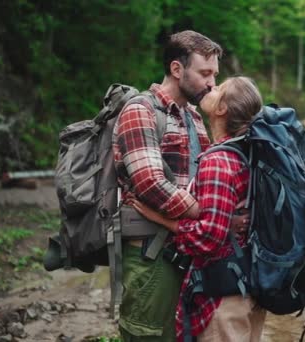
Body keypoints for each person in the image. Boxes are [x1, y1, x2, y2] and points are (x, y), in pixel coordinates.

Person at [131, 76, 267, 342]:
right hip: (249, 284)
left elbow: (208, 237)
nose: (211, 87)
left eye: (219, 88)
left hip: (224, 296)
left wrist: (162, 219)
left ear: (221, 109)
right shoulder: (249, 153)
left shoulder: (219, 160)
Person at [112, 30, 225, 341]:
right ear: (177, 69)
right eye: (205, 73)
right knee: (148, 334)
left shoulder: (195, 117)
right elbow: (150, 183)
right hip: (150, 252)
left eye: (214, 74)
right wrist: (208, 213)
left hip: (187, 248)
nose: (212, 83)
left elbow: (204, 177)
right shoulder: (140, 110)